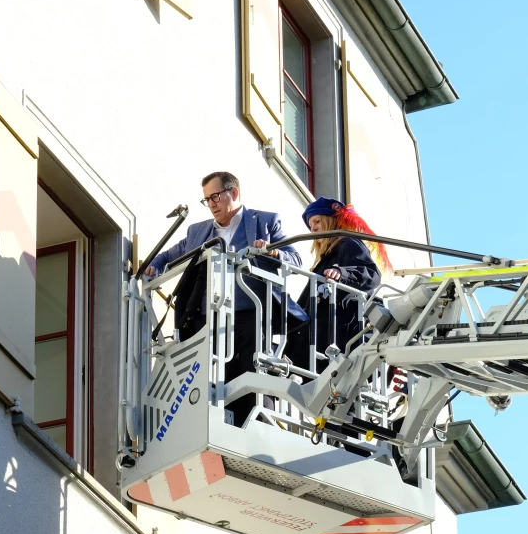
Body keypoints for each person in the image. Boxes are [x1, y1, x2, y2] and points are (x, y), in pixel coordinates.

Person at [145, 171, 304, 425]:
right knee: (212, 378)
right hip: (209, 318)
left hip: (250, 313)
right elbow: (168, 256)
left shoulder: (265, 221)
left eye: (216, 196)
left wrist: (273, 253)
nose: (211, 204)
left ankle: (260, 424)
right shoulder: (198, 231)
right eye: (207, 199)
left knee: (253, 371)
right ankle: (218, 424)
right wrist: (153, 266)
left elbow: (295, 258)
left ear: (234, 192)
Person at [287, 197, 390, 372]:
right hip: (323, 341)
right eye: (310, 225)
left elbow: (371, 274)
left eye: (317, 221)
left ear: (330, 221)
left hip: (340, 338)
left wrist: (342, 273)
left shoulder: (348, 243)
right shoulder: (326, 259)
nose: (313, 228)